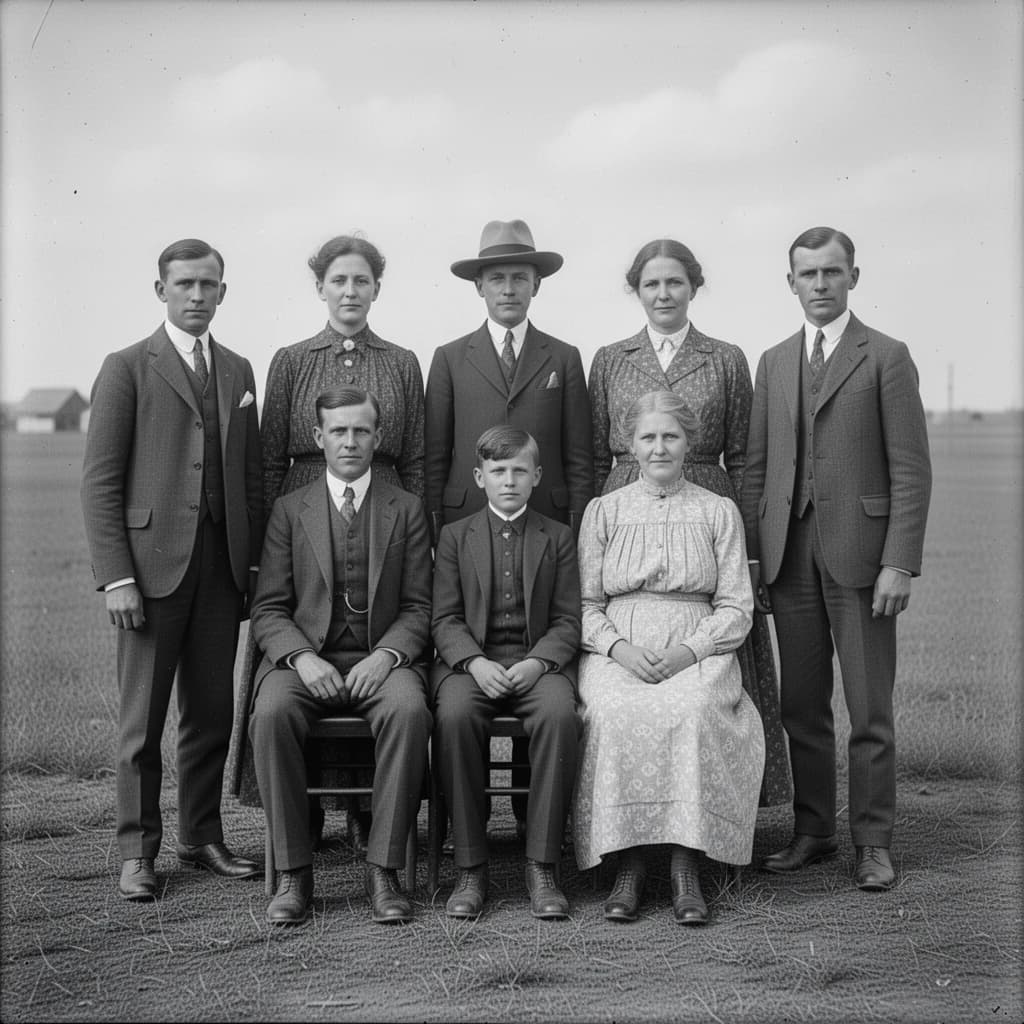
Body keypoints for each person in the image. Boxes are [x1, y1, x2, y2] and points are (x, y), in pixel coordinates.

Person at [740, 226, 931, 892]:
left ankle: (873, 842)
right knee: (801, 706)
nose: (820, 285)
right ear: (788, 282)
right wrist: (757, 564)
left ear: (854, 275)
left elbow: (910, 469)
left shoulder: (886, 356)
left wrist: (899, 561)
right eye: (807, 274)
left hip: (863, 561)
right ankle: (815, 831)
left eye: (832, 272)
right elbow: (759, 471)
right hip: (789, 560)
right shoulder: (773, 361)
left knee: (869, 708)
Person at [81, 238, 264, 901]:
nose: (196, 295)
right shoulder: (128, 367)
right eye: (184, 284)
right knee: (142, 721)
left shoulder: (240, 371)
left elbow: (248, 479)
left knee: (212, 712)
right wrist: (118, 577)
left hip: (219, 576)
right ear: (160, 290)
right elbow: (99, 482)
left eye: (208, 284)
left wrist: (249, 568)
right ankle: (137, 852)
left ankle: (201, 835)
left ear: (223, 292)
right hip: (150, 573)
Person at [231, 234, 424, 850]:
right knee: (301, 669)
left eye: (361, 281)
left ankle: (371, 816)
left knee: (374, 655)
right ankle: (302, 821)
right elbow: (264, 462)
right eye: (338, 281)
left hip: (384, 504)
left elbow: (417, 460)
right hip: (305, 510)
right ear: (319, 287)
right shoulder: (291, 359)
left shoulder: (400, 361)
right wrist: (264, 550)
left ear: (376, 289)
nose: (349, 292)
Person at [588, 237, 790, 807]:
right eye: (651, 283)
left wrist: (751, 550)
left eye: (674, 282)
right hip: (625, 502)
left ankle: (723, 799)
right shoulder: (610, 358)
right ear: (636, 290)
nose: (663, 293)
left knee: (712, 673)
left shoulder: (725, 357)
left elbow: (747, 459)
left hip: (706, 501)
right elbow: (590, 456)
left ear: (693, 287)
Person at [425, 218, 593, 828]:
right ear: (479, 287)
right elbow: (434, 455)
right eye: (496, 278)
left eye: (520, 277)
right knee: (462, 704)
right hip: (470, 531)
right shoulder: (448, 359)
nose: (508, 289)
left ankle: (532, 826)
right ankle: (465, 840)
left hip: (544, 534)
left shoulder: (563, 359)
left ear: (536, 285)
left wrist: (576, 527)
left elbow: (578, 457)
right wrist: (441, 529)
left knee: (546, 706)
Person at [573, 391, 764, 925]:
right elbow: (585, 604)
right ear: (630, 445)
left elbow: (735, 607)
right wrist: (620, 649)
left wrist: (687, 652)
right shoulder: (604, 511)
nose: (659, 448)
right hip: (620, 647)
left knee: (694, 709)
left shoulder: (716, 510)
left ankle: (686, 865)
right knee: (612, 712)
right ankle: (628, 865)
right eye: (648, 437)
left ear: (689, 444)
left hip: (697, 646)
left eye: (670, 437)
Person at [248, 386, 433, 925]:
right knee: (273, 711)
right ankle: (293, 873)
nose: (350, 442)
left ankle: (385, 869)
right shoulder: (289, 510)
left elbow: (421, 606)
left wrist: (389, 656)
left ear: (377, 437)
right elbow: (269, 610)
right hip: (307, 660)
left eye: (360, 431)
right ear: (318, 438)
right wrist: (302, 658)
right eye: (338, 431)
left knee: (409, 710)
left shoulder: (406, 508)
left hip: (381, 661)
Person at [431, 426, 581, 920]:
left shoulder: (557, 537)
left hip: (537, 665)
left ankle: (542, 864)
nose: (509, 480)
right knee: (453, 716)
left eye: (520, 470)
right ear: (480, 477)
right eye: (498, 471)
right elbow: (445, 618)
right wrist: (473, 662)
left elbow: (567, 620)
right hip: (472, 665)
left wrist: (539, 661)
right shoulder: (455, 537)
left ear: (537, 476)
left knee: (560, 715)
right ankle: (472, 868)